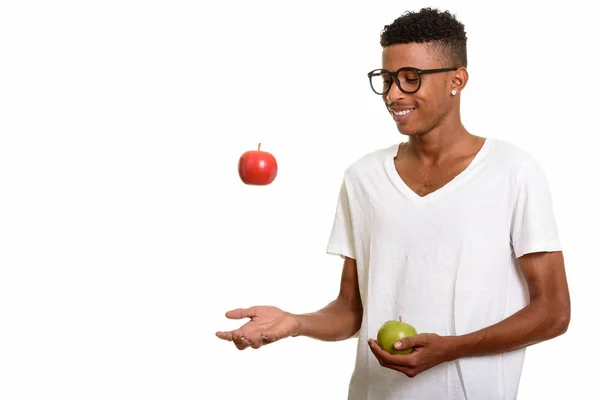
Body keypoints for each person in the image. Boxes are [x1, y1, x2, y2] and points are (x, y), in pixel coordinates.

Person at [215, 7, 571, 399]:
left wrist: (452, 348)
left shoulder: (513, 172)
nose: (393, 94)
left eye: (410, 79)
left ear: (457, 80)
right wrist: (294, 322)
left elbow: (553, 312)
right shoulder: (362, 178)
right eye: (386, 79)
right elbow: (351, 312)